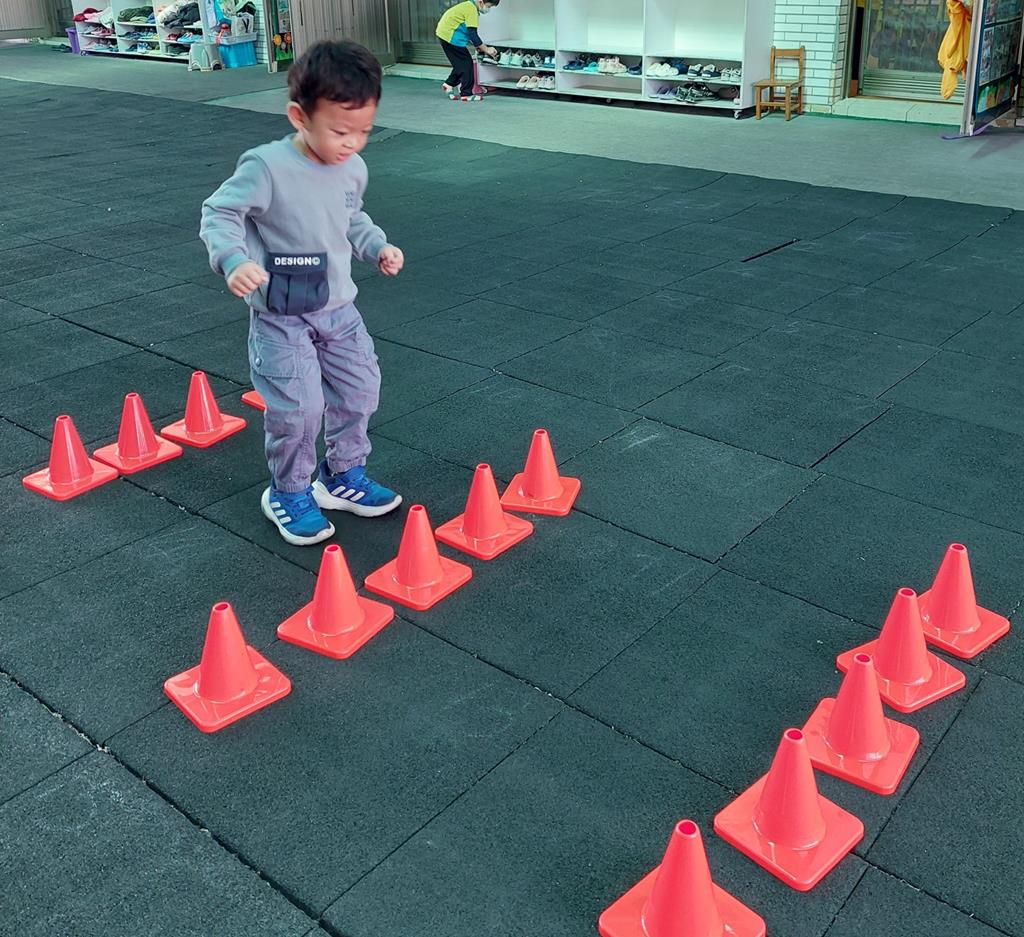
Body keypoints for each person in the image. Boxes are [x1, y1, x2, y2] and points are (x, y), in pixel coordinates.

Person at [200, 39, 404, 547]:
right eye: (339, 131)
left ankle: (342, 475)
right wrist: (234, 260)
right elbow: (219, 213)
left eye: (364, 131)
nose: (352, 143)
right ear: (299, 116)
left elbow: (351, 217)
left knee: (361, 390)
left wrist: (376, 246)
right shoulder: (267, 167)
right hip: (281, 315)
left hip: (339, 309)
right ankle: (288, 492)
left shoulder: (352, 168)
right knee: (298, 409)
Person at [436, 0, 500, 102]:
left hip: (445, 34)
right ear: (481, 2)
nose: (488, 9)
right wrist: (487, 49)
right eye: (489, 6)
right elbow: (473, 35)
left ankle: (449, 84)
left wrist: (479, 46)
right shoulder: (472, 10)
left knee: (460, 64)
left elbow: (467, 31)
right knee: (467, 64)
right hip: (451, 37)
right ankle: (466, 94)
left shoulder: (468, 5)